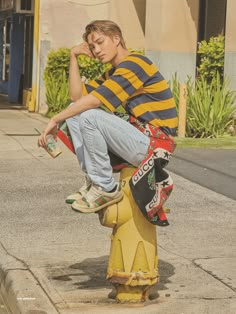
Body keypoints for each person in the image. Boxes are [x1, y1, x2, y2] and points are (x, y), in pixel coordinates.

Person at [38, 20, 178, 223]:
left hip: (156, 145)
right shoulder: (114, 72)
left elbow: (95, 101)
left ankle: (105, 187)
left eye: (100, 42)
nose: (96, 51)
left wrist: (54, 119)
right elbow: (77, 98)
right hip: (140, 138)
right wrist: (73, 56)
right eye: (92, 47)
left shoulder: (136, 63)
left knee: (89, 115)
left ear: (116, 38)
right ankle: (93, 182)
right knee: (75, 112)